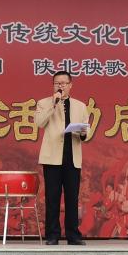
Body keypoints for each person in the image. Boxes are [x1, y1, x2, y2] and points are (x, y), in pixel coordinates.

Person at [34, 70, 89, 245]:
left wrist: (83, 132)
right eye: (57, 83)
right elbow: (39, 122)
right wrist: (53, 103)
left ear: (71, 85)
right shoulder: (44, 103)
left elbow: (86, 131)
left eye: (64, 83)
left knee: (72, 198)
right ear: (53, 85)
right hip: (52, 158)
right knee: (52, 198)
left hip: (72, 157)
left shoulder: (80, 106)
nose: (61, 86)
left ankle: (73, 235)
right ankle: (52, 235)